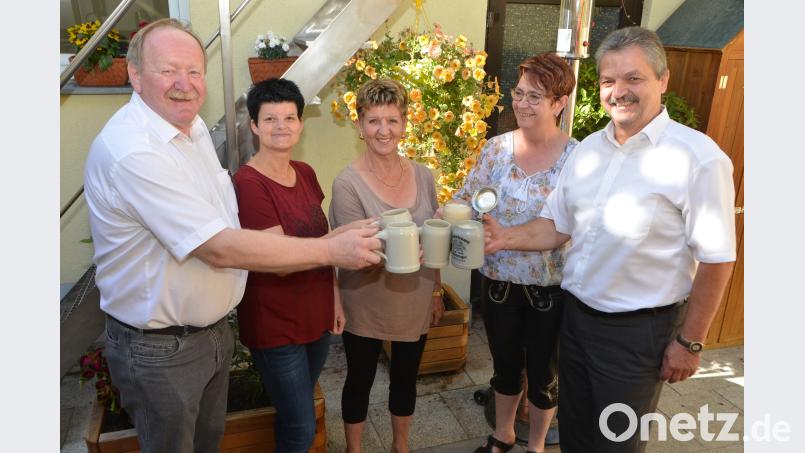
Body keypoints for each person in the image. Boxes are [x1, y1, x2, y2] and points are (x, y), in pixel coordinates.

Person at [83, 19, 380, 453]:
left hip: (211, 333)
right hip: (162, 348)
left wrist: (336, 240)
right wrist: (331, 249)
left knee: (209, 444)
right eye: (168, 70)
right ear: (134, 75)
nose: (184, 84)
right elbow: (219, 247)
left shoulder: (194, 129)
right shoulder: (134, 151)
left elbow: (237, 225)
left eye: (195, 71)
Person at [484, 27, 736, 453]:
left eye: (633, 78)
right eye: (607, 81)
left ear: (663, 81)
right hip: (576, 321)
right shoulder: (587, 152)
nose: (619, 91)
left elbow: (717, 259)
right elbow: (557, 227)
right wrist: (503, 237)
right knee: (579, 434)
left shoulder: (698, 158)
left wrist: (689, 342)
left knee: (615, 442)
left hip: (638, 334)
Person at [450, 53, 577, 453]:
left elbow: (572, 225)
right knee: (504, 367)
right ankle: (502, 434)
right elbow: (466, 199)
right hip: (499, 280)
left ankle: (536, 446)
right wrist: (439, 219)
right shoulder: (496, 149)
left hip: (551, 287)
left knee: (544, 374)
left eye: (535, 96)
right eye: (518, 93)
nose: (521, 103)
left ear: (559, 103)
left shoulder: (578, 159)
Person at [328, 78, 445, 453]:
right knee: (359, 379)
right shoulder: (347, 183)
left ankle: (401, 446)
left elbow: (435, 236)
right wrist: (405, 252)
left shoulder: (424, 175)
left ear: (404, 124)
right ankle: (354, 449)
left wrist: (437, 289)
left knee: (406, 378)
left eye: (392, 120)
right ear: (360, 127)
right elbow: (352, 251)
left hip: (416, 297)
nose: (384, 130)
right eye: (374, 121)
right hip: (366, 297)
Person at [232, 78, 345, 453]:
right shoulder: (248, 184)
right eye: (270, 119)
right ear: (254, 125)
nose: (281, 126)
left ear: (300, 123)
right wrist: (342, 242)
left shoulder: (306, 172)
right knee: (301, 426)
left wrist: (336, 301)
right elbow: (278, 260)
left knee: (293, 414)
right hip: (275, 322)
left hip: (316, 314)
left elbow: (319, 246)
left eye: (290, 117)